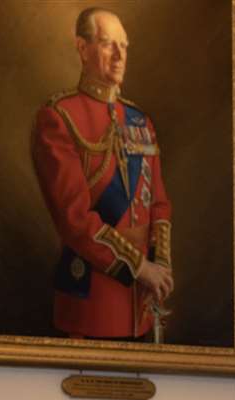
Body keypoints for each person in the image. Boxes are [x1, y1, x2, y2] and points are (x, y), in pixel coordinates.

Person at [31, 7, 173, 340]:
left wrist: (160, 270)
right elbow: (74, 220)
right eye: (108, 44)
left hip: (141, 302)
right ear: (82, 48)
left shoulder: (140, 120)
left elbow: (160, 206)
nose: (120, 55)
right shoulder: (59, 117)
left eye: (124, 46)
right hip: (93, 298)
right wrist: (141, 268)